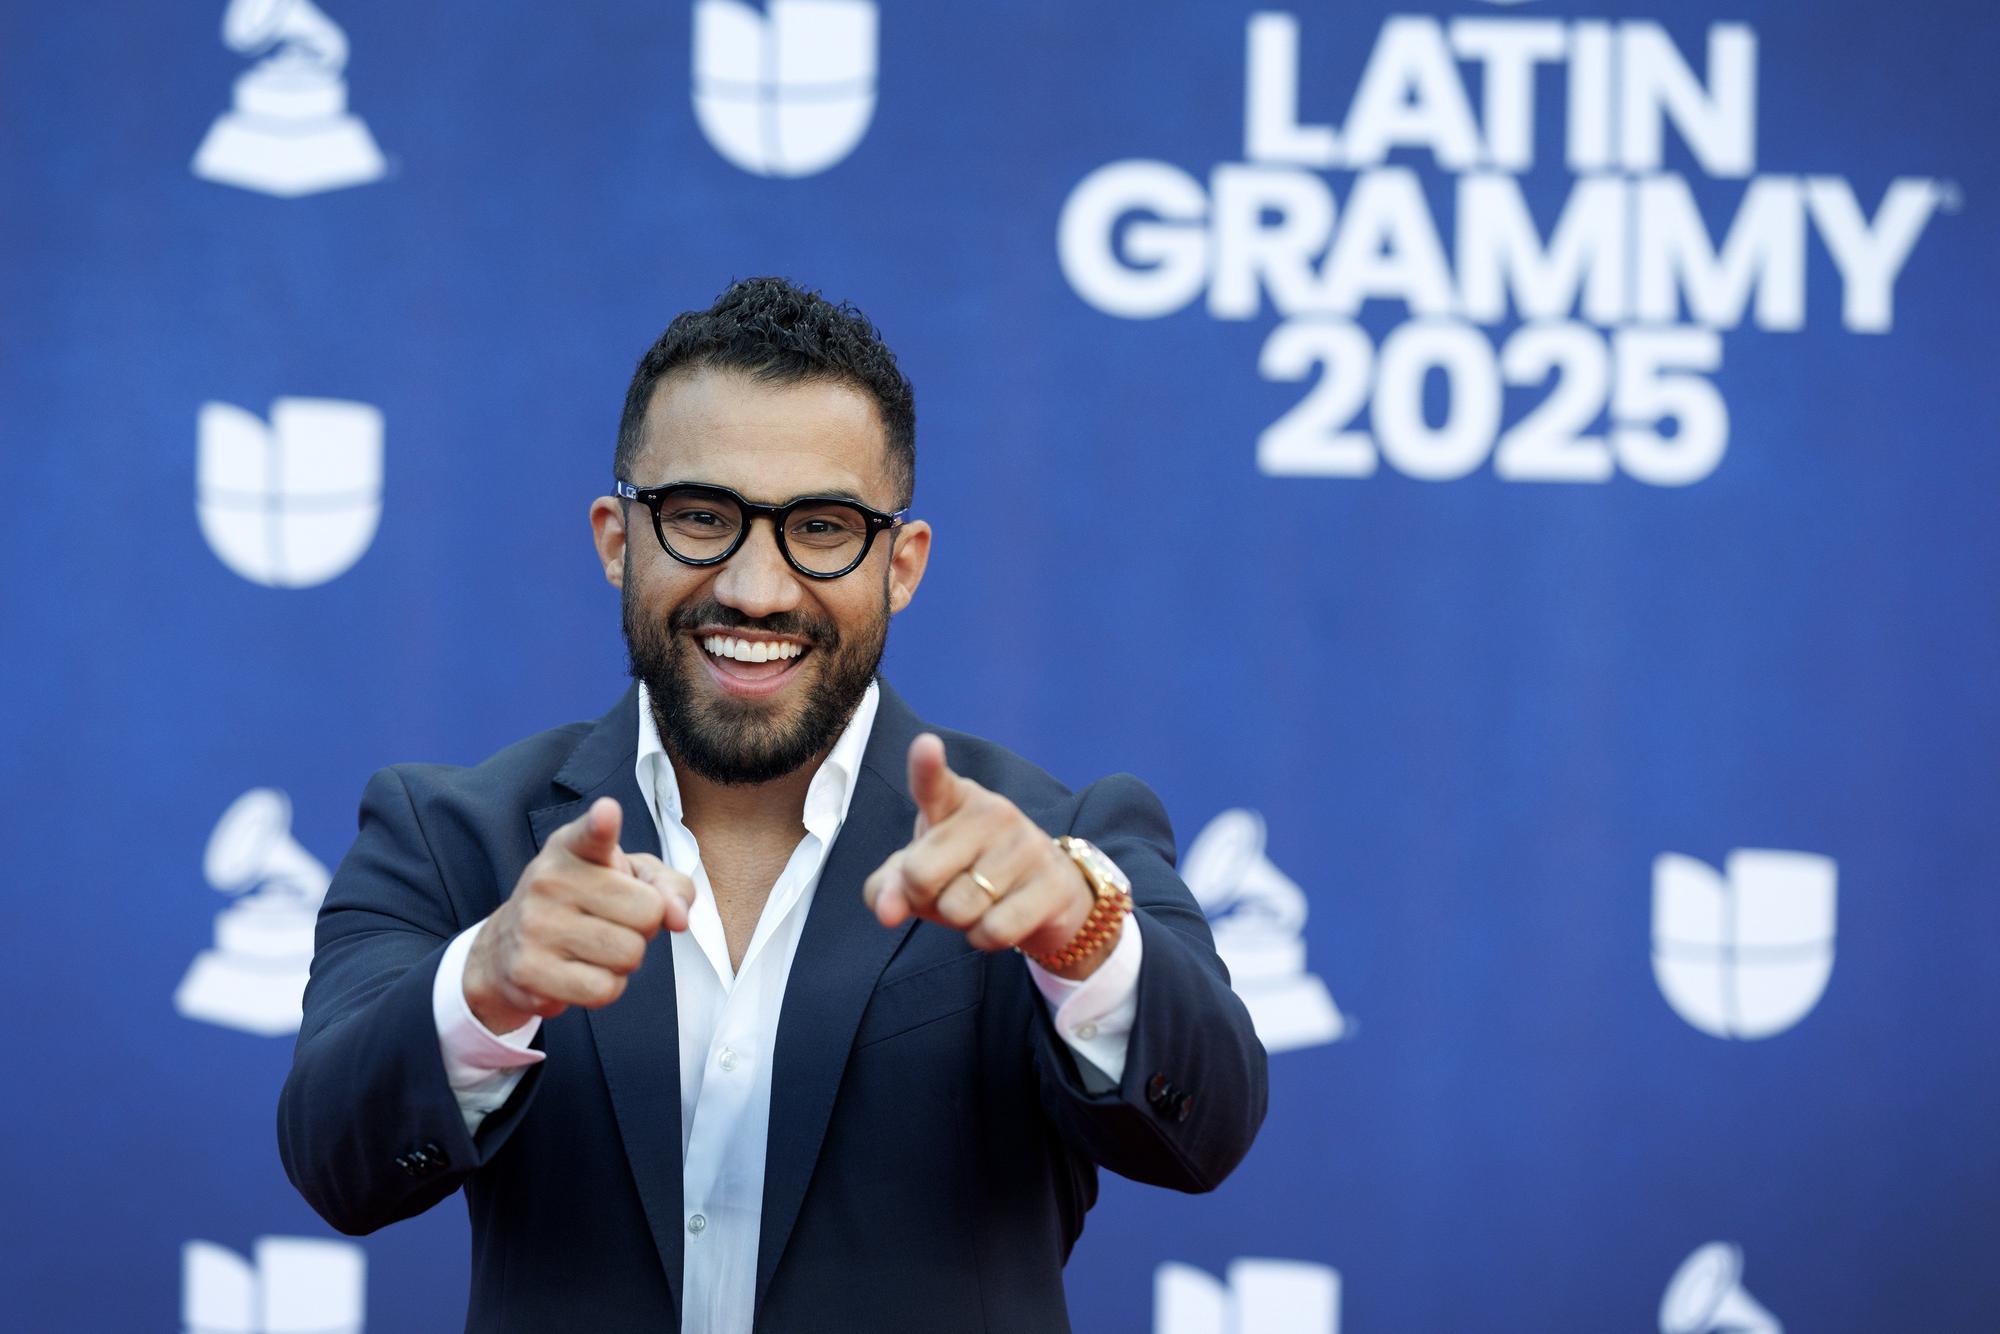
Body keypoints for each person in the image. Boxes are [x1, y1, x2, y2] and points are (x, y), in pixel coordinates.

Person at [277, 277, 1268, 1333]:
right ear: (617, 537)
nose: (756, 587)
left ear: (901, 565)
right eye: (701, 517)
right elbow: (337, 1160)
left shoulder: (1050, 843)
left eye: (823, 526)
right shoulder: (449, 833)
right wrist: (485, 980)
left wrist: (1082, 938)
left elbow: (1206, 1126)